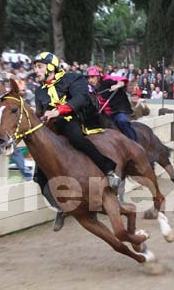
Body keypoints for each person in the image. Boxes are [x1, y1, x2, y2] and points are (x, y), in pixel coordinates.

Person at [33, 53, 121, 231]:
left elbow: (80, 99)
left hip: (70, 120)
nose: (36, 70)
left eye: (39, 66)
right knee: (38, 173)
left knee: (76, 139)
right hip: (50, 129)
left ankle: (109, 170)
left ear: (51, 67)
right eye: (35, 67)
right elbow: (39, 112)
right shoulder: (39, 91)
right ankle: (60, 206)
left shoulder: (72, 78)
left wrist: (57, 112)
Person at [86, 66, 138, 142]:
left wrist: (117, 85)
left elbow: (122, 81)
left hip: (118, 110)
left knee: (122, 121)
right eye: (88, 78)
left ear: (98, 76)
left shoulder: (107, 79)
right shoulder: (91, 88)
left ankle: (134, 142)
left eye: (92, 77)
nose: (90, 80)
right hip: (105, 114)